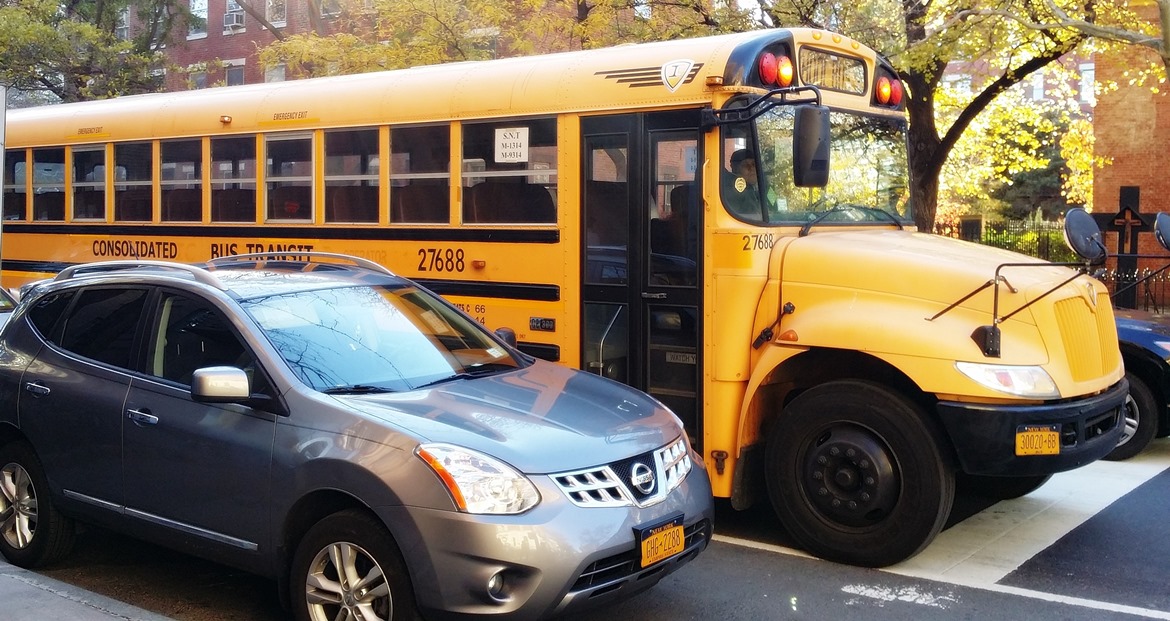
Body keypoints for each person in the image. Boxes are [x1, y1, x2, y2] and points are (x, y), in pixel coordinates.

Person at [724, 148, 763, 217]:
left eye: (754, 164)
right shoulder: (732, 192)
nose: (752, 169)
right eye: (746, 165)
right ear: (735, 168)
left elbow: (775, 207)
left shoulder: (764, 186)